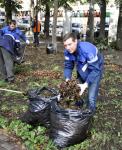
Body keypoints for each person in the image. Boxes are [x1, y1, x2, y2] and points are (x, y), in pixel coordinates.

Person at [63, 32, 104, 113]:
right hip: (82, 68)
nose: (67, 47)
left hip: (95, 69)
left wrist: (86, 84)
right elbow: (68, 66)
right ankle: (78, 109)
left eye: (69, 44)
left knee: (91, 97)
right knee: (76, 89)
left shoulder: (87, 51)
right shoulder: (67, 51)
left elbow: (95, 70)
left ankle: (89, 115)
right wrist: (67, 79)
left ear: (76, 41)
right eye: (65, 45)